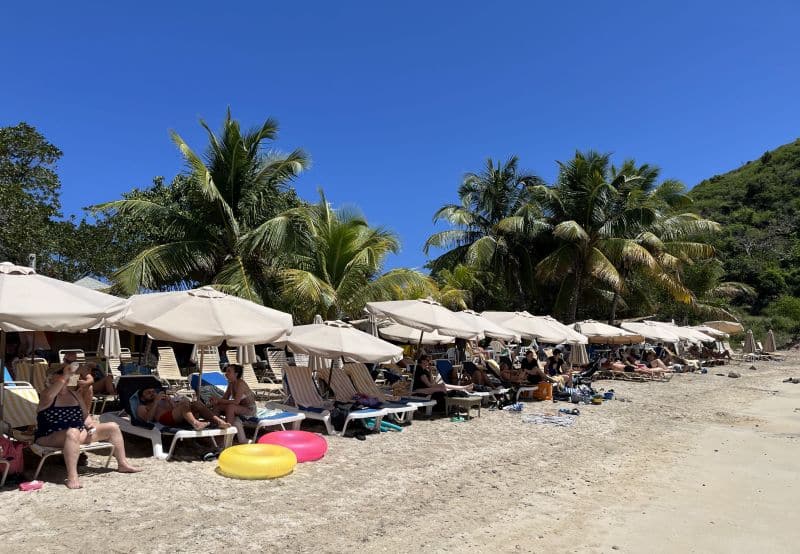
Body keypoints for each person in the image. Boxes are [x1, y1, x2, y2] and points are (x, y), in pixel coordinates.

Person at [35, 363, 141, 489]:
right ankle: (72, 477)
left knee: (112, 427)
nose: (65, 376)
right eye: (60, 373)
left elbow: (85, 415)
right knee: (72, 432)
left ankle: (123, 464)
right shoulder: (46, 395)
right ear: (50, 378)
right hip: (51, 435)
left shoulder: (75, 395)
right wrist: (66, 373)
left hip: (77, 433)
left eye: (66, 374)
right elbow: (51, 395)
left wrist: (90, 426)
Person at [137, 387, 230, 431]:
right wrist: (156, 402)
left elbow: (177, 409)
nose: (152, 393)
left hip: (177, 416)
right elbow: (147, 420)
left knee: (197, 403)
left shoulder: (164, 400)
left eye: (153, 391)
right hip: (164, 419)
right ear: (142, 398)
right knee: (185, 403)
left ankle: (220, 422)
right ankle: (196, 423)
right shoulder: (142, 407)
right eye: (148, 392)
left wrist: (170, 401)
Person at [210, 364, 256, 442]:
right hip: (240, 408)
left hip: (249, 410)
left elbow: (236, 402)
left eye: (229, 371)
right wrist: (216, 401)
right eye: (226, 371)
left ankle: (228, 434)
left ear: (236, 374)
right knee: (218, 406)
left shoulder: (240, 384)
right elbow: (224, 398)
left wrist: (219, 400)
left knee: (231, 407)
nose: (226, 373)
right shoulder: (231, 383)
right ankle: (213, 429)